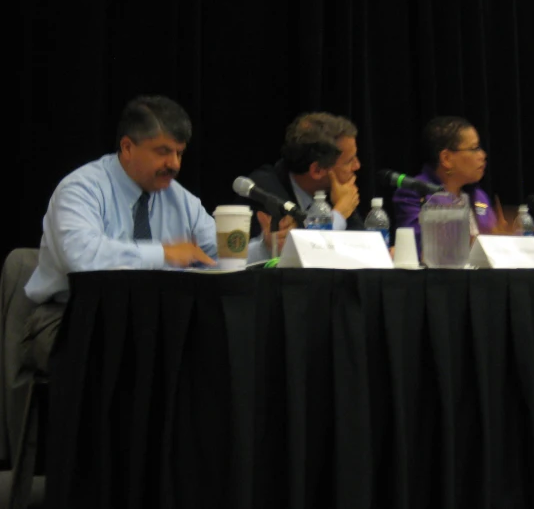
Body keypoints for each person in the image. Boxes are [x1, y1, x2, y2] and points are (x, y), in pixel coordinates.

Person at [24, 94, 217, 370]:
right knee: (135, 352)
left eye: (180, 153)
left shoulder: (181, 200)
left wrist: (263, 246)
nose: (174, 164)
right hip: (68, 317)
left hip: (152, 320)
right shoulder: (81, 189)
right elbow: (83, 259)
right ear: (127, 147)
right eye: (163, 151)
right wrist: (164, 254)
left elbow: (217, 256)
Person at [393, 115, 534, 254]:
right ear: (446, 158)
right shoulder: (412, 193)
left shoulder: (477, 197)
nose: (482, 155)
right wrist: (495, 239)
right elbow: (422, 244)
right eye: (474, 148)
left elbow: (493, 244)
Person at [243, 112, 363, 263]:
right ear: (317, 170)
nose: (357, 166)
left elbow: (362, 254)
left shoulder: (336, 191)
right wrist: (339, 214)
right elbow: (306, 257)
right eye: (349, 161)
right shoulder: (264, 191)